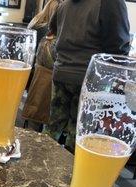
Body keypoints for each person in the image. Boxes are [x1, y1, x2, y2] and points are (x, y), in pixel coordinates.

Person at [44, 0, 130, 151]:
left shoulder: (64, 4)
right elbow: (119, 48)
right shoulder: (111, 3)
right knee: (79, 133)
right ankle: (69, 172)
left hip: (61, 72)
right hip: (91, 79)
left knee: (53, 127)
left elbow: (53, 30)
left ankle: (42, 164)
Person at [23, 6, 59, 128]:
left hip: (33, 74)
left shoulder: (35, 23)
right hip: (45, 82)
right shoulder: (49, 37)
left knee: (34, 114)